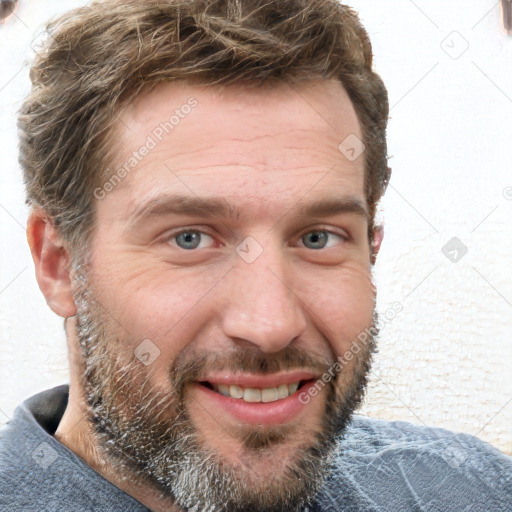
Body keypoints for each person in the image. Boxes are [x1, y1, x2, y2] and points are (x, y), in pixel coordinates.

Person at [0, 0, 511, 511]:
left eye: (318, 238)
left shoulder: (475, 491)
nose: (270, 324)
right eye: (190, 239)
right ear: (58, 264)